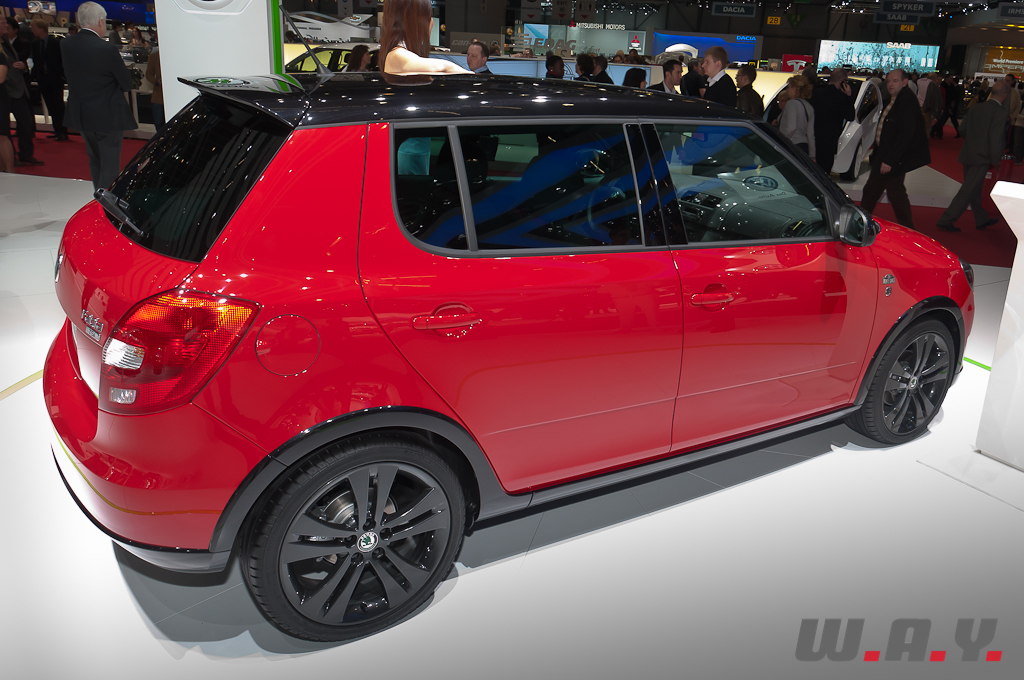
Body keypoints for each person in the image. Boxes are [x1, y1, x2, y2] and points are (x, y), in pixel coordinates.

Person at [62, 2, 138, 190]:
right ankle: (104, 203)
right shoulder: (106, 48)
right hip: (107, 114)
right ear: (100, 21)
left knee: (95, 159)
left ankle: (98, 195)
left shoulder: (66, 44)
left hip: (81, 112)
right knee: (110, 163)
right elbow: (126, 83)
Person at [860, 69, 931, 231]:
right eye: (889, 81)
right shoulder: (897, 98)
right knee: (875, 192)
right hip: (885, 156)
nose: (890, 84)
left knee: (892, 194)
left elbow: (905, 134)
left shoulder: (906, 100)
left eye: (895, 81)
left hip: (891, 158)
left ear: (904, 82)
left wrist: (890, 160)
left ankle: (906, 228)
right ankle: (861, 222)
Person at [936, 81, 1009, 232]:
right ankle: (946, 220)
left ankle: (981, 218)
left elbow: (962, 129)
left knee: (974, 188)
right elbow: (996, 138)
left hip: (968, 152)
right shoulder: (1000, 112)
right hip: (982, 157)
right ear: (1004, 95)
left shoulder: (976, 107)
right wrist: (996, 159)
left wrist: (972, 142)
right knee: (968, 189)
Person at [380, 0, 468, 75]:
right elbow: (441, 67)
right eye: (428, 16)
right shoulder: (397, 55)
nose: (432, 22)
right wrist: (471, 75)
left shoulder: (397, 53)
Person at [3, 17, 42, 165]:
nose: (5, 25)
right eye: (2, 23)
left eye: (6, 23)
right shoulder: (4, 43)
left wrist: (22, 67)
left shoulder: (9, 42)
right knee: (4, 127)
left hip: (17, 89)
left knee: (26, 123)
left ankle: (25, 154)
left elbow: (19, 63)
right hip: (5, 89)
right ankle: (9, 157)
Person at [810, 68, 854, 174]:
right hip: (829, 142)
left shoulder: (816, 93)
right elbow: (850, 116)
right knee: (824, 172)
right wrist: (848, 96)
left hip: (812, 138)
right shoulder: (841, 97)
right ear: (843, 81)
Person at [30, 20, 68, 142]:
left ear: (41, 29)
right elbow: (36, 62)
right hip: (43, 79)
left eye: (34, 28)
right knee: (50, 106)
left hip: (55, 79)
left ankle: (63, 131)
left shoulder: (56, 43)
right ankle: (57, 130)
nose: (32, 30)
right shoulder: (35, 43)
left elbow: (62, 60)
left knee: (58, 106)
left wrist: (63, 76)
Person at [779, 74, 815, 158]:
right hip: (804, 146)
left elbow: (791, 128)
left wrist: (781, 140)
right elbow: (811, 134)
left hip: (791, 145)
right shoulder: (809, 106)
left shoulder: (791, 104)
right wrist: (812, 155)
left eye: (789, 87)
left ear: (794, 88)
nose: (787, 90)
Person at [0, 46, 16, 172]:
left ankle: (10, 172)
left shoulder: (1, 55)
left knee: (2, 135)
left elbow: (1, 78)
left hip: (0, 100)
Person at [931, 73, 960, 139]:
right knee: (943, 120)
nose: (951, 79)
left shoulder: (951, 86)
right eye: (950, 78)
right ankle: (935, 132)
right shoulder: (943, 85)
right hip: (944, 104)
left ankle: (934, 131)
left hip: (949, 105)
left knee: (943, 120)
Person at [144, 47, 163, 130]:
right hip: (158, 96)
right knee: (158, 122)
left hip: (174, 96)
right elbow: (149, 74)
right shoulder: (154, 56)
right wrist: (156, 81)